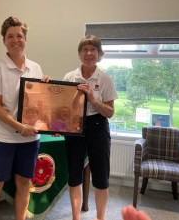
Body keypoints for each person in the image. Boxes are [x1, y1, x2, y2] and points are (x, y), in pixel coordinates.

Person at [0, 16, 51, 220]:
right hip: (1, 138)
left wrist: (46, 87)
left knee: (24, 185)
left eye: (19, 35)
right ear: (4, 41)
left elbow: (40, 105)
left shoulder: (36, 68)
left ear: (25, 39)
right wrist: (20, 127)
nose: (15, 40)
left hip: (29, 140)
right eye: (10, 36)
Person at [62, 35, 118, 220]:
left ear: (99, 54)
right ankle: (76, 217)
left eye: (93, 49)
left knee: (101, 178)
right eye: (85, 49)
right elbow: (63, 108)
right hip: (74, 127)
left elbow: (110, 112)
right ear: (79, 54)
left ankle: (100, 217)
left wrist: (93, 99)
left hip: (98, 125)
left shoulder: (105, 79)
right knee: (75, 176)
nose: (88, 53)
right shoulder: (70, 77)